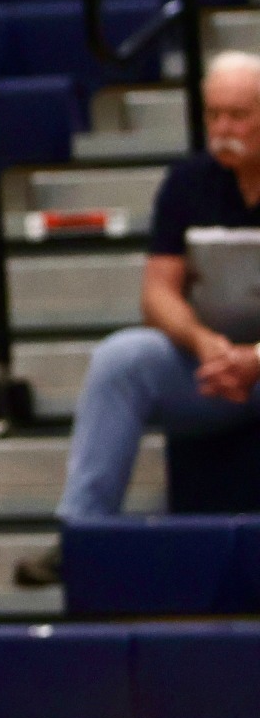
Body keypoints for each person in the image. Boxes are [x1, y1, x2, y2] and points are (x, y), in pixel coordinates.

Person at [15, 50, 260, 585]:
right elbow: (158, 293)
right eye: (214, 114)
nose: (224, 129)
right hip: (213, 365)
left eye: (239, 115)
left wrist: (255, 358)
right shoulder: (188, 184)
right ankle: (81, 534)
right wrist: (204, 343)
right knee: (121, 359)